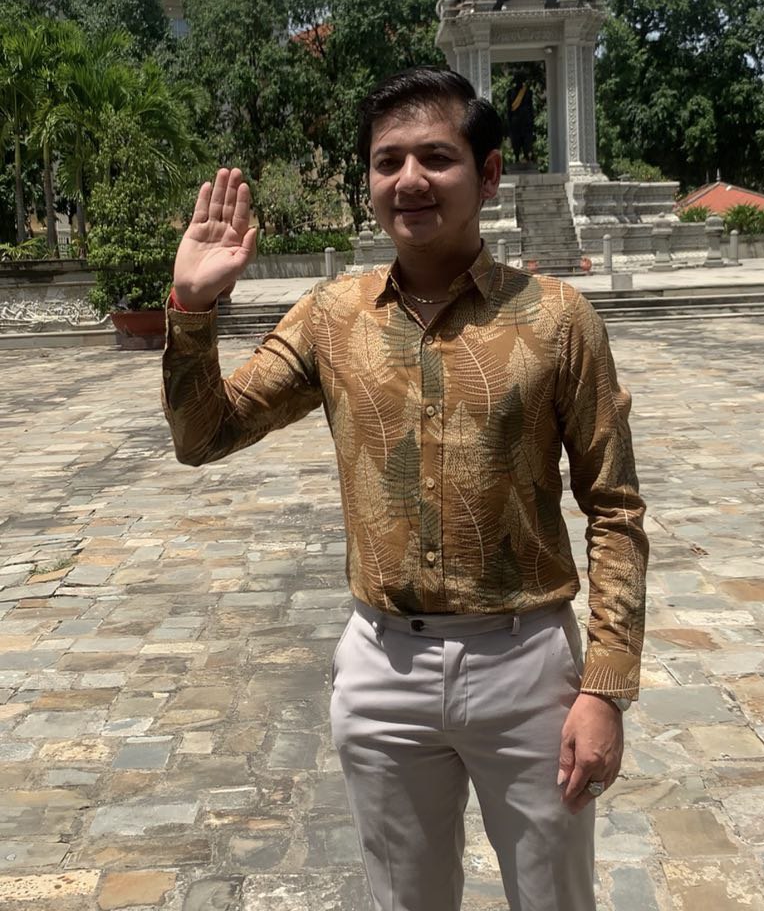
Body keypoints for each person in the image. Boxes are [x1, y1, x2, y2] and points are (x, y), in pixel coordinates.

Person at [161, 66, 648, 911]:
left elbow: (613, 508)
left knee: (554, 899)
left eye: (435, 157)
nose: (409, 180)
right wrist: (192, 309)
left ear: (486, 174)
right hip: (383, 668)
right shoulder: (331, 317)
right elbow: (204, 436)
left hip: (525, 666)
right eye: (387, 162)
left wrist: (604, 688)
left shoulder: (557, 319)